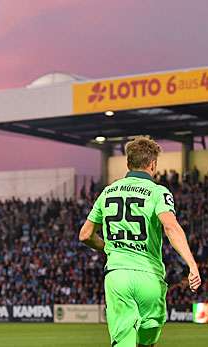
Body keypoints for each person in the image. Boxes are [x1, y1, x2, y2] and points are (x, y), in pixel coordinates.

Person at [79, 137, 201, 347]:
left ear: (128, 163)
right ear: (153, 164)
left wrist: (108, 248)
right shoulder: (158, 192)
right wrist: (191, 264)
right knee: (148, 338)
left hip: (117, 276)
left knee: (123, 342)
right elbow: (171, 227)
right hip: (149, 277)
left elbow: (85, 235)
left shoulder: (108, 192)